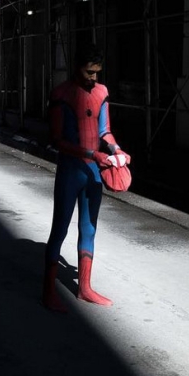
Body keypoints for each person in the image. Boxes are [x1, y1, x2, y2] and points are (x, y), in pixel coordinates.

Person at [42, 43, 131, 312]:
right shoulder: (61, 94)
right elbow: (57, 140)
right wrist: (95, 155)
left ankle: (85, 288)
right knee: (60, 229)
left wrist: (116, 149)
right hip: (71, 170)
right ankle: (48, 291)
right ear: (76, 68)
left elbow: (105, 131)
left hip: (92, 170)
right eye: (89, 72)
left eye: (97, 72)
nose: (93, 78)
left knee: (89, 228)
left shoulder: (102, 92)